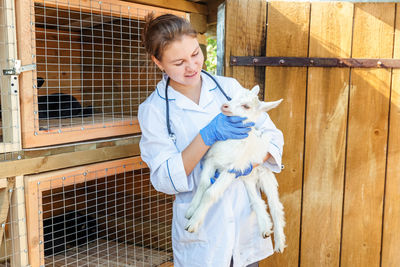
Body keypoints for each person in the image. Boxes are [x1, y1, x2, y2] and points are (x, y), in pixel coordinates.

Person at [138, 13, 284, 267]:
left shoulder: (230, 88)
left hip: (243, 225)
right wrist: (207, 136)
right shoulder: (153, 110)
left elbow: (272, 136)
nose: (192, 67)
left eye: (195, 54)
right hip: (204, 241)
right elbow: (163, 178)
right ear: (158, 63)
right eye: (178, 62)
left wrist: (249, 162)